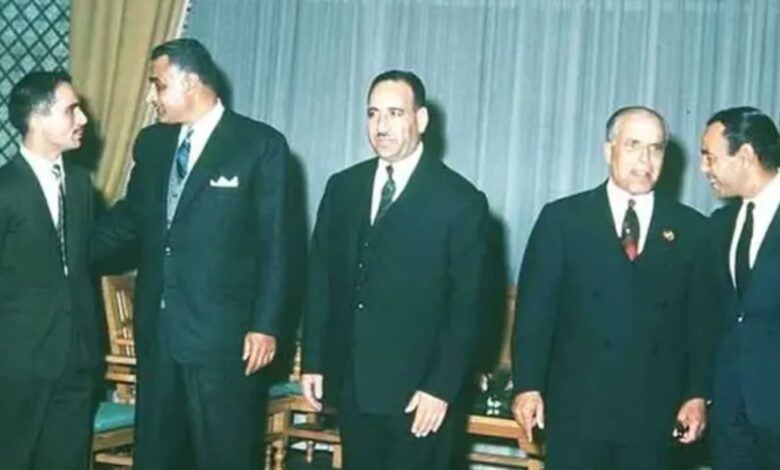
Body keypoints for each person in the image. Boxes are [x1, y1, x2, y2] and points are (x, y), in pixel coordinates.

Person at [91, 38, 289, 469]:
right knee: (157, 455)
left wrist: (266, 326)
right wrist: (67, 253)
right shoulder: (152, 144)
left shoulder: (259, 144)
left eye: (158, 85)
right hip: (158, 334)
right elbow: (130, 219)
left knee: (225, 456)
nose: (151, 97)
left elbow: (278, 244)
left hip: (225, 339)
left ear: (191, 82)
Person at [300, 70, 489, 469]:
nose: (381, 126)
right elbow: (320, 281)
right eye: (373, 113)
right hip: (353, 387)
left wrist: (440, 387)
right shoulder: (342, 188)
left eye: (394, 113)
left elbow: (468, 307)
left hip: (420, 397)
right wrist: (314, 360)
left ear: (421, 119)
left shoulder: (460, 200)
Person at [512, 106, 712, 469]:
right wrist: (527, 386)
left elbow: (700, 325)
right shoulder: (563, 220)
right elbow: (534, 314)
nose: (645, 159)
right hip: (576, 411)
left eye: (655, 148)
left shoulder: (693, 230)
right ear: (609, 150)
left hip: (653, 416)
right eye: (633, 145)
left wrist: (696, 393)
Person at [0, 71, 98, 469]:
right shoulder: (4, 189)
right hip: (15, 365)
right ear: (38, 118)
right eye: (71, 110)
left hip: (76, 358)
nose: (83, 119)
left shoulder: (81, 184)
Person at [700, 106, 780, 469]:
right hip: (732, 419)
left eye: (710, 157)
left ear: (746, 155)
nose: (704, 168)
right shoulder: (719, 225)